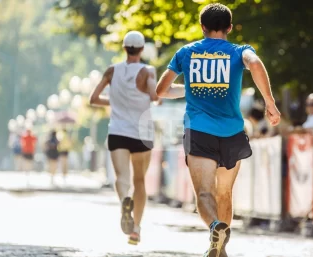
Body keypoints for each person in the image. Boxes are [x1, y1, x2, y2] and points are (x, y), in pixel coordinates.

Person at [156, 3, 280, 257]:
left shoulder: (186, 52)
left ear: (202, 27)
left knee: (204, 193)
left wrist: (188, 90)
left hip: (199, 131)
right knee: (224, 192)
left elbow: (161, 90)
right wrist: (269, 101)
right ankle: (221, 250)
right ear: (230, 27)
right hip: (232, 132)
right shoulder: (239, 51)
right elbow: (255, 64)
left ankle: (215, 228)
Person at [89, 31, 160, 245]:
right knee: (140, 180)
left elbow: (93, 98)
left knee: (122, 177)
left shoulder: (112, 71)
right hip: (142, 133)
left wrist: (117, 102)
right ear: (141, 50)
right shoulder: (148, 71)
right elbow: (155, 97)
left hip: (118, 131)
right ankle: (136, 229)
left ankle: (124, 202)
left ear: (124, 48)